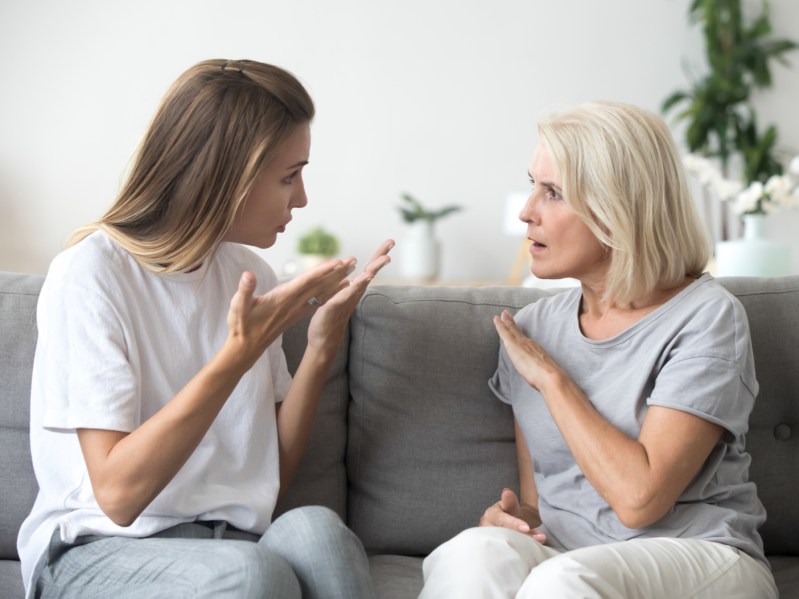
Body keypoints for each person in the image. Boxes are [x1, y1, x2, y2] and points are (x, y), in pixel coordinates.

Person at [17, 58, 393, 599]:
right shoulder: (91, 274)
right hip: (96, 550)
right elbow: (118, 496)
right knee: (251, 574)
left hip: (227, 543)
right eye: (289, 176)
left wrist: (320, 343)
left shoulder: (248, 277)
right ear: (225, 176)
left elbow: (266, 484)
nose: (303, 198)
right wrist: (236, 356)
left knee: (318, 532)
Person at [420, 101, 777, 598]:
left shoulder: (707, 317)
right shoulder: (532, 329)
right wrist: (516, 521)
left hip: (701, 554)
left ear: (617, 209)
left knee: (562, 581)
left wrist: (553, 380)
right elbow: (540, 502)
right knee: (472, 551)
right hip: (570, 556)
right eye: (532, 186)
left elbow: (639, 500)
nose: (526, 211)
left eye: (553, 193)